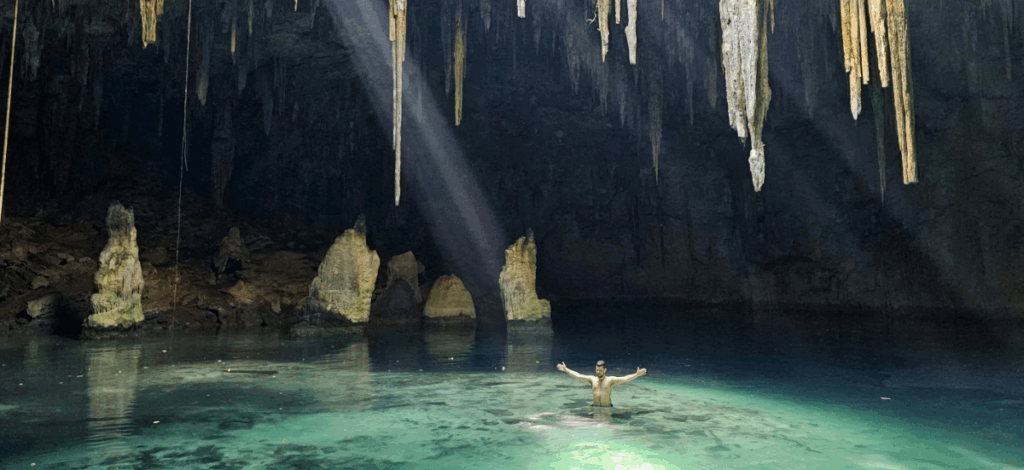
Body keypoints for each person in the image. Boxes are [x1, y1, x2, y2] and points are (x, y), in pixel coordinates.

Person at [557, 360, 646, 407]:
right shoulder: (592, 379)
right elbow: (578, 375)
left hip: (607, 408)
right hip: (595, 407)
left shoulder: (610, 380)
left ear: (605, 370)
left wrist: (636, 374)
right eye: (597, 370)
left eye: (600, 370)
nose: (598, 372)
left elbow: (625, 379)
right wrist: (566, 369)